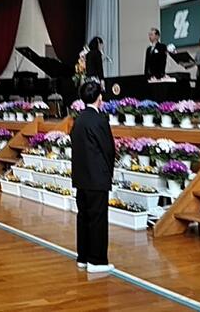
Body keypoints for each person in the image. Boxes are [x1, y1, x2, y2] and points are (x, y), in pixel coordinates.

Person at [70, 81, 115, 273]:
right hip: (97, 177)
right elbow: (108, 149)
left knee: (84, 217)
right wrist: (108, 172)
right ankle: (97, 260)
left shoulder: (78, 120)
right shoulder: (100, 120)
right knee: (97, 219)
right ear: (99, 98)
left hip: (81, 177)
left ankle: (83, 256)